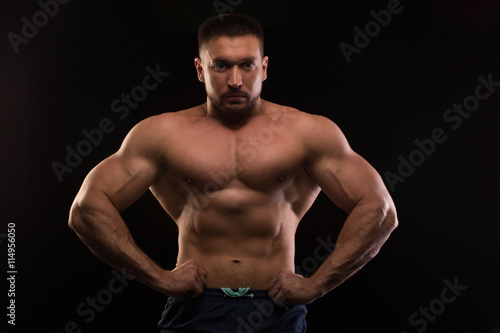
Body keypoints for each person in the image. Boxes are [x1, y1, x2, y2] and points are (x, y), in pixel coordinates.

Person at [68, 13, 398, 332]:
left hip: (276, 309)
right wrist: (160, 278)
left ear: (264, 67)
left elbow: (380, 210)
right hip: (195, 309)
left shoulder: (307, 132)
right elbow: (86, 209)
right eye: (221, 65)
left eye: (247, 65)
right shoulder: (162, 134)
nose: (235, 80)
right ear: (200, 69)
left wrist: (317, 285)